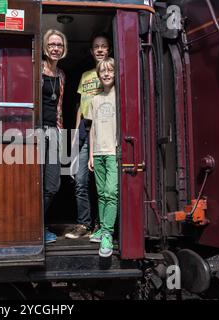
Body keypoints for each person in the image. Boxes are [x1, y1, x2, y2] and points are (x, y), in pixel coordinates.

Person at [65, 34, 111, 239]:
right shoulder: (86, 75)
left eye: (104, 47)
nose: (100, 50)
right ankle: (84, 224)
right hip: (84, 129)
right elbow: (80, 106)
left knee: (101, 183)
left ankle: (102, 224)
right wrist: (76, 134)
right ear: (92, 52)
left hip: (102, 131)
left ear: (108, 50)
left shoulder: (111, 73)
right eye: (96, 47)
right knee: (81, 180)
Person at [86, 57, 118, 257]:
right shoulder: (95, 99)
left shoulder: (119, 96)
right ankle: (102, 227)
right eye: (103, 71)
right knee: (101, 194)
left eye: (110, 71)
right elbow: (92, 130)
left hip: (113, 152)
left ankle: (107, 233)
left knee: (110, 192)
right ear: (98, 75)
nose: (106, 74)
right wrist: (90, 154)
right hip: (97, 153)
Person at [41, 29, 67, 243]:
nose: (55, 48)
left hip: (53, 132)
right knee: (33, 182)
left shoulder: (61, 75)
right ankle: (35, 227)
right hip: (35, 131)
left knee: (52, 185)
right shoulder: (35, 68)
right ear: (45, 47)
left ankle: (38, 223)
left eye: (59, 45)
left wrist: (59, 133)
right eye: (52, 45)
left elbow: (59, 108)